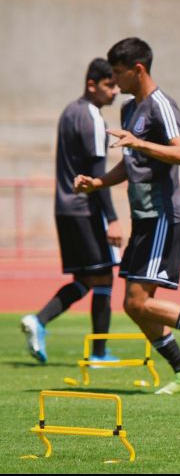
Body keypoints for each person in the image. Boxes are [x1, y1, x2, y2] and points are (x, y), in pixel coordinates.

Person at [74, 37, 180, 394]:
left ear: (138, 70)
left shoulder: (161, 105)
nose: (115, 81)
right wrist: (98, 183)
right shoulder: (128, 109)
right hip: (143, 216)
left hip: (164, 215)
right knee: (133, 306)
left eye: (119, 73)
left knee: (138, 301)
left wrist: (139, 143)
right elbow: (130, 162)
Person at [21, 58, 123, 364]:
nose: (115, 91)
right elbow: (97, 176)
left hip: (64, 208)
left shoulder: (68, 111)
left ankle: (38, 321)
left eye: (116, 84)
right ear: (91, 84)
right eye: (109, 84)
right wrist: (114, 219)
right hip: (85, 209)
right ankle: (99, 353)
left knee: (86, 279)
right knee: (104, 278)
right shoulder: (92, 117)